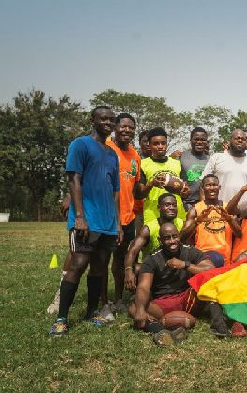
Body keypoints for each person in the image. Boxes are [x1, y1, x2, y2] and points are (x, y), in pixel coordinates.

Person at [49, 106, 122, 337]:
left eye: (112, 120)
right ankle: (61, 318)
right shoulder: (80, 145)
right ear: (93, 120)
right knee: (78, 265)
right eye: (103, 119)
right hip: (86, 220)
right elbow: (74, 179)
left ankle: (92, 312)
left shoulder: (112, 154)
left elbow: (114, 192)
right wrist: (79, 216)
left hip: (107, 223)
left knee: (99, 269)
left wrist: (117, 223)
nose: (108, 123)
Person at [130, 222, 229, 343]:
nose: (172, 241)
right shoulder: (152, 259)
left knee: (209, 283)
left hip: (188, 299)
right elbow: (143, 287)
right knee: (134, 307)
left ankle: (219, 325)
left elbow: (211, 270)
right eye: (167, 238)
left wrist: (184, 265)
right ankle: (161, 331)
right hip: (163, 303)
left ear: (179, 236)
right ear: (159, 239)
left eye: (174, 236)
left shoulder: (190, 251)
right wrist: (141, 310)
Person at [105, 112, 142, 314]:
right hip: (107, 217)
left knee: (120, 260)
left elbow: (136, 187)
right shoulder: (106, 149)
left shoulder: (135, 155)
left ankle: (118, 299)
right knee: (100, 260)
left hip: (127, 217)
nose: (127, 130)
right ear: (115, 128)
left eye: (131, 127)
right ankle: (102, 302)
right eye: (123, 126)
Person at [124, 193, 184, 291]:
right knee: (137, 269)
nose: (172, 208)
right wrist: (128, 270)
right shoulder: (148, 228)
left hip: (176, 266)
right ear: (159, 208)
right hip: (155, 268)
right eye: (167, 205)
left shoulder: (181, 224)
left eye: (174, 205)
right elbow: (132, 250)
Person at [180, 174, 242, 265]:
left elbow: (239, 234)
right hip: (203, 258)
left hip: (225, 258)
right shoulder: (195, 210)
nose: (212, 188)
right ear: (202, 188)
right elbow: (182, 237)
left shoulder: (228, 208)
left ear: (219, 187)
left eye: (214, 185)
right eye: (208, 185)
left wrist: (230, 220)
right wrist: (197, 222)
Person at [137, 127, 188, 223]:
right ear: (150, 145)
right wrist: (152, 183)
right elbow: (139, 195)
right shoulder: (143, 164)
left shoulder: (177, 163)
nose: (160, 146)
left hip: (177, 216)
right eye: (156, 144)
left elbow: (185, 191)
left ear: (166, 144)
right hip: (153, 217)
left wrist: (185, 191)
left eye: (163, 143)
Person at [201, 129, 247, 203]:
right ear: (230, 141)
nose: (240, 140)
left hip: (245, 212)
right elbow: (203, 184)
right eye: (237, 138)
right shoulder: (217, 158)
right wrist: (203, 208)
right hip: (220, 210)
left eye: (243, 139)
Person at [180, 127, 209, 210]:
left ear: (206, 142)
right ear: (191, 140)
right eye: (196, 139)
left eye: (203, 140)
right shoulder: (181, 157)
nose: (199, 142)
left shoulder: (211, 159)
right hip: (186, 203)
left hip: (204, 204)